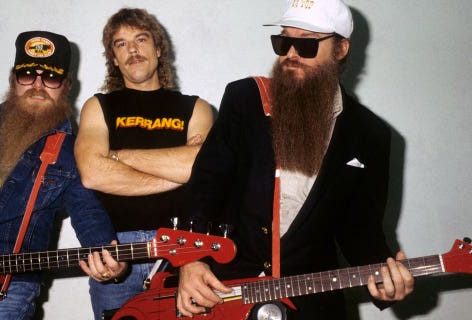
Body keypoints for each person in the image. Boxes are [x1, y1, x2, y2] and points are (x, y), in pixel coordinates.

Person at [177, 1, 415, 319]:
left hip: (309, 305)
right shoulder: (246, 99)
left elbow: (362, 232)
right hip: (223, 293)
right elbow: (204, 189)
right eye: (283, 41)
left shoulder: (370, 135)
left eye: (305, 43)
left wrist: (388, 286)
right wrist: (190, 261)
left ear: (341, 48)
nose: (290, 54)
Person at [0, 30, 126, 320]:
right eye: (27, 74)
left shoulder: (72, 151)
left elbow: (88, 212)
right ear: (13, 80)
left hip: (10, 287)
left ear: (66, 86)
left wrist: (110, 261)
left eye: (51, 78)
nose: (38, 85)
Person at [74, 8, 214, 320]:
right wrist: (178, 172)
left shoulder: (196, 108)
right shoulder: (98, 106)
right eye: (120, 44)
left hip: (184, 247)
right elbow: (92, 174)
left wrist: (118, 156)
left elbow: (203, 170)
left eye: (141, 39)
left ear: (159, 48)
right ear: (113, 57)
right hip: (114, 251)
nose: (132, 50)